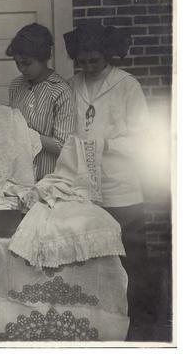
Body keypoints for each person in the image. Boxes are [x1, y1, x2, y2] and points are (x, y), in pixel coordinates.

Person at [63, 21, 153, 340]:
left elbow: (143, 137)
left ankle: (141, 322)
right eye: (82, 61)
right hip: (87, 183)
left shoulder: (126, 85)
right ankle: (103, 319)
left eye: (94, 61)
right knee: (95, 254)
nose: (88, 67)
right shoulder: (74, 85)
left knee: (131, 255)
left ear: (108, 56)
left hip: (122, 185)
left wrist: (108, 144)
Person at [6, 23, 76, 181]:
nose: (21, 69)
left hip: (51, 177)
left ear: (43, 57)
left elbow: (63, 145)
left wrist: (27, 133)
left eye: (27, 63)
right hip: (19, 175)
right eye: (17, 63)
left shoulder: (61, 91)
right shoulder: (16, 86)